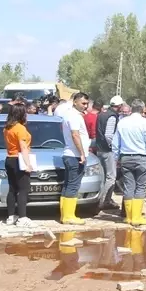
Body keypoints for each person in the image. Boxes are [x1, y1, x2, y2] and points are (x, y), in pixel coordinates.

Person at [115, 100, 146, 227]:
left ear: (131, 109)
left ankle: (128, 217)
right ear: (143, 109)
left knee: (129, 187)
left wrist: (117, 157)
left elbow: (116, 142)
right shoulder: (145, 123)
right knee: (140, 187)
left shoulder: (122, 122)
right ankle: (137, 217)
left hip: (125, 158)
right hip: (141, 158)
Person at [58, 91, 92, 225]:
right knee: (73, 185)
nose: (85, 106)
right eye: (83, 103)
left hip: (71, 154)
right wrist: (82, 153)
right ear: (75, 102)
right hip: (74, 155)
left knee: (68, 185)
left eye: (87, 103)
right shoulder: (73, 116)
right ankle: (69, 216)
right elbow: (75, 135)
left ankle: (65, 215)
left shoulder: (72, 115)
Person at [3, 101, 35, 226]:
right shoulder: (20, 128)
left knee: (12, 189)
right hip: (19, 159)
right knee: (23, 189)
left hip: (9, 158)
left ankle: (11, 216)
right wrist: (28, 164)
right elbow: (23, 146)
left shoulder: (7, 128)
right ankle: (22, 217)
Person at [95, 95, 126, 211]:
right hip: (107, 151)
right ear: (119, 106)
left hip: (99, 149)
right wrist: (114, 147)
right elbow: (109, 135)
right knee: (111, 177)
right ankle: (104, 201)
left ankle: (101, 199)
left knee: (104, 177)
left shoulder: (102, 114)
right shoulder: (112, 116)